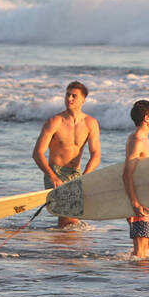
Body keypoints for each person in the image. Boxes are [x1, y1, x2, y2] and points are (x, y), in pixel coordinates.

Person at [32, 80, 101, 227]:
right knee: (69, 217)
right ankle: (66, 246)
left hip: (76, 173)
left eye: (74, 96)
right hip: (56, 173)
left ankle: (63, 246)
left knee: (71, 219)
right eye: (67, 95)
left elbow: (96, 155)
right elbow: (37, 153)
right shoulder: (55, 121)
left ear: (83, 100)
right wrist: (52, 176)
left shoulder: (91, 123)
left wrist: (85, 177)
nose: (69, 99)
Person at [123, 99, 149, 258]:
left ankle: (138, 275)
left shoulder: (143, 139)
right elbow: (126, 174)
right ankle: (137, 281)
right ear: (146, 118)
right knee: (141, 252)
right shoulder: (138, 141)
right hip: (138, 202)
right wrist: (134, 203)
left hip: (145, 200)